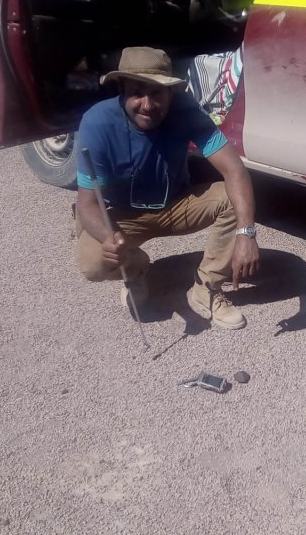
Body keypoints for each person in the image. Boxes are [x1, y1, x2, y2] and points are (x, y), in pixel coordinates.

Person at [73, 46, 259, 330]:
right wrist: (109, 238)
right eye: (137, 93)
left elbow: (234, 170)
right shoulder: (97, 123)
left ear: (171, 92)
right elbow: (87, 203)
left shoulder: (186, 109)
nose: (147, 104)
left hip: (176, 203)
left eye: (156, 93)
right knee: (92, 263)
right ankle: (135, 270)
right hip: (123, 214)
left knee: (232, 198)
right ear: (121, 90)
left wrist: (246, 233)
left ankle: (206, 289)